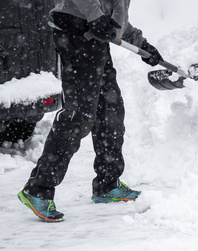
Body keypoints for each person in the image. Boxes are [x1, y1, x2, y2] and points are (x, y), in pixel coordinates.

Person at [17, 0, 163, 222]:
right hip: (76, 33)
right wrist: (95, 16)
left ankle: (107, 183)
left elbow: (115, 17)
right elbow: (99, 12)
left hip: (95, 39)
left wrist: (143, 45)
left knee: (110, 113)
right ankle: (38, 188)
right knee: (79, 116)